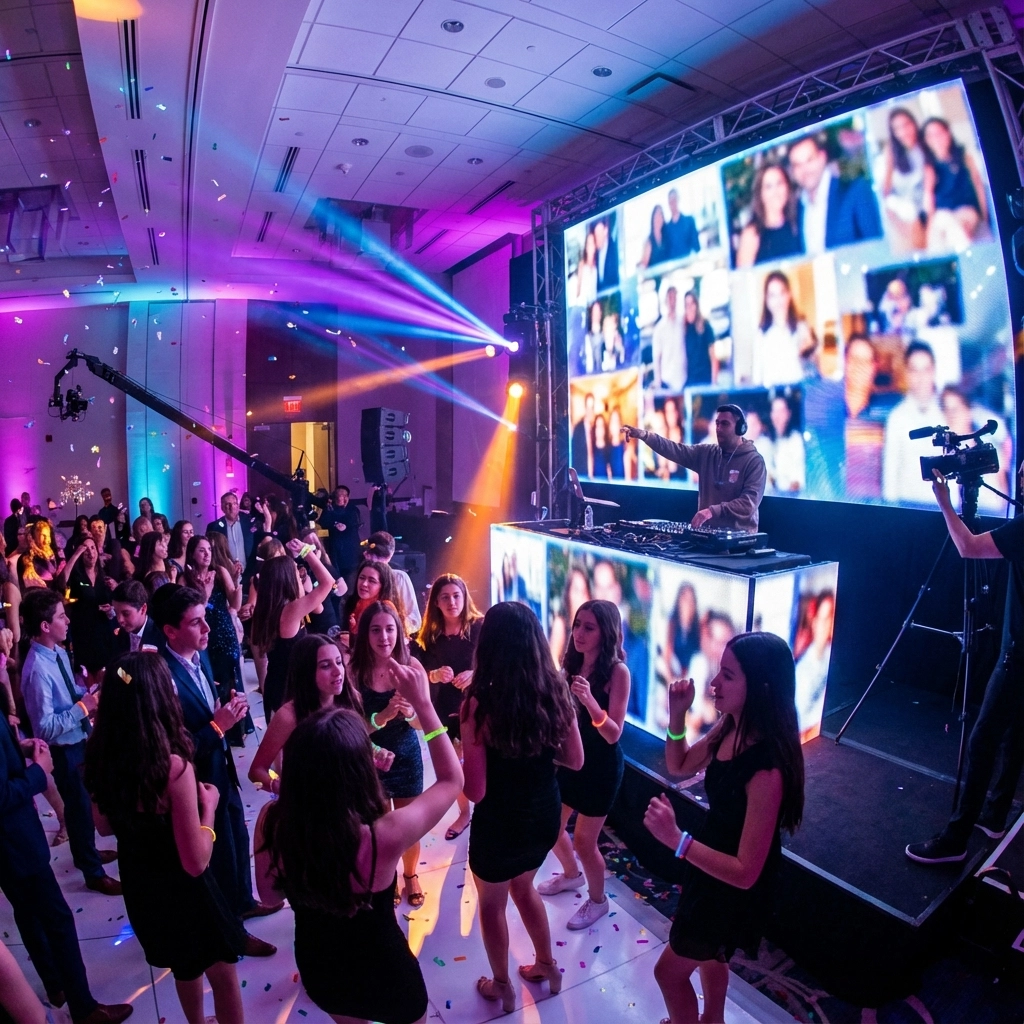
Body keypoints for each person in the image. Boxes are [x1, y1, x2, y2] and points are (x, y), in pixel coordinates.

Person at [255, 670, 462, 1024]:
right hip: (385, 971)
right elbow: (452, 779)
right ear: (358, 771)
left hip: (321, 967)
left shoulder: (273, 820)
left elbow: (270, 897)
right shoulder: (384, 833)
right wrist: (425, 706)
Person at [644, 631, 805, 1024]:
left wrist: (677, 841)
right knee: (711, 954)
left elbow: (746, 872)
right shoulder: (731, 726)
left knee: (668, 973)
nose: (713, 683)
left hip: (729, 883)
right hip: (711, 860)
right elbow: (680, 764)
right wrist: (678, 714)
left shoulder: (767, 768)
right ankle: (712, 1018)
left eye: (728, 676)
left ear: (761, 688)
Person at [84, 652, 246, 1024]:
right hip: (185, 891)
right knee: (223, 974)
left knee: (183, 966)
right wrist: (209, 807)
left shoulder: (100, 756)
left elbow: (105, 827)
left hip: (142, 886)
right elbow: (195, 861)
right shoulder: (172, 767)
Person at [461, 602, 584, 1014]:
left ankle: (502, 986)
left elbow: (475, 791)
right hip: (542, 814)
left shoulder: (478, 702)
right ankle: (548, 966)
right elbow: (576, 759)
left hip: (499, 821)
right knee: (524, 886)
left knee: (493, 905)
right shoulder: (556, 689)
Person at [906, 463, 1023, 863]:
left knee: (983, 739)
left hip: (1019, 655)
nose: (1021, 475)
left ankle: (955, 841)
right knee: (1016, 734)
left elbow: (968, 547)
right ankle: (994, 815)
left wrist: (943, 502)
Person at [153, 585, 279, 949]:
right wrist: (217, 726)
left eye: (205, 619)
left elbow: (207, 713)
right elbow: (174, 750)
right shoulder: (163, 678)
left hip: (221, 770)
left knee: (237, 840)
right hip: (198, 783)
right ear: (170, 631)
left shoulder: (198, 657)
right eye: (196, 623)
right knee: (219, 855)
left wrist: (225, 706)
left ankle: (242, 902)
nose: (207, 629)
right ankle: (232, 933)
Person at [0, 705, 133, 1024]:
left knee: (28, 912)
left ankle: (56, 985)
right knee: (55, 919)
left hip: (14, 841)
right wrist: (38, 771)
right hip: (12, 839)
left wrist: (19, 749)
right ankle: (84, 1007)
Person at [20, 590, 121, 895]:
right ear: (45, 626)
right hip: (64, 751)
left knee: (87, 802)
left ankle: (87, 852)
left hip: (80, 739)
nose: (68, 621)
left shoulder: (59, 653)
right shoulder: (36, 669)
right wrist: (83, 708)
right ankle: (91, 871)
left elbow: (69, 692)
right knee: (77, 809)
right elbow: (44, 727)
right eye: (62, 616)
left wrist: (85, 693)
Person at [538, 600, 630, 930]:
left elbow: (613, 734)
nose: (579, 633)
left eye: (588, 627)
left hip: (601, 768)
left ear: (606, 633)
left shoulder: (618, 672)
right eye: (577, 625)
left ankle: (598, 901)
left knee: (584, 842)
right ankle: (571, 875)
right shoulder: (572, 664)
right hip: (570, 761)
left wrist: (590, 701)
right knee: (549, 826)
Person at [350, 600, 426, 906]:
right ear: (365, 634)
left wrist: (408, 713)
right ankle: (388, 877)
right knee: (379, 827)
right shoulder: (354, 671)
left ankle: (410, 875)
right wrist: (381, 717)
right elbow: (350, 729)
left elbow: (424, 724)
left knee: (409, 825)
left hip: (407, 755)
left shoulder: (413, 668)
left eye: (390, 629)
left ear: (400, 631)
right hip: (369, 759)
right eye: (376, 630)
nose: (384, 637)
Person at [411, 573, 483, 841]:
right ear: (436, 603)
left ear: (465, 598)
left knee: (480, 760)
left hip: (478, 704)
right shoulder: (429, 635)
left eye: (456, 596)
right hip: (446, 706)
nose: (452, 602)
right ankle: (465, 813)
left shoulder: (479, 627)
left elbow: (496, 663)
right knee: (455, 763)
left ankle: (486, 809)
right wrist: (434, 674)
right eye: (445, 597)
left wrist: (474, 674)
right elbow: (422, 670)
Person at [622, 405, 768, 532]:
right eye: (717, 423)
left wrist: (712, 511)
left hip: (740, 546)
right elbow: (674, 449)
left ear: (740, 429)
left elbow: (748, 504)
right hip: (707, 539)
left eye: (724, 424)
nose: (718, 429)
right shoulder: (707, 453)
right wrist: (645, 435)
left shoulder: (754, 461)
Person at [251, 540, 337, 719]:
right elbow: (328, 582)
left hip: (276, 684)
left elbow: (318, 608)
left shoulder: (267, 607)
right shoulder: (290, 611)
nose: (300, 577)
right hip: (290, 691)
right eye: (297, 576)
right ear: (287, 579)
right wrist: (307, 552)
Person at [183, 534, 251, 745]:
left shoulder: (219, 571)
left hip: (224, 632)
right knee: (212, 681)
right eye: (202, 550)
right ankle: (216, 725)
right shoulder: (185, 578)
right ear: (192, 553)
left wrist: (238, 585)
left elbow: (235, 604)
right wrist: (206, 593)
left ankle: (237, 728)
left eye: (209, 550)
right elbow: (194, 609)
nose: (207, 554)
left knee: (232, 679)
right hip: (202, 637)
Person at [787, 131, 883, 254]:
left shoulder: (855, 191)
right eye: (797, 165)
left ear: (822, 158)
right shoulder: (797, 209)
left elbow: (877, 248)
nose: (805, 170)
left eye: (809, 160)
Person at [882, 341, 944, 504]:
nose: (921, 378)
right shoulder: (896, 418)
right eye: (914, 370)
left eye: (926, 370)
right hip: (909, 508)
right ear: (906, 373)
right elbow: (890, 476)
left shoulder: (948, 411)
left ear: (933, 371)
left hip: (948, 511)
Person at [922, 116, 987, 251]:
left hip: (966, 210)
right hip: (943, 215)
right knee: (944, 222)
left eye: (939, 133)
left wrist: (985, 217)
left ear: (947, 133)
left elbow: (978, 185)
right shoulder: (930, 166)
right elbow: (929, 200)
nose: (936, 139)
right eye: (931, 136)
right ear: (927, 140)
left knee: (953, 226)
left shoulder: (964, 157)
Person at [62, 538, 116, 687]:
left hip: (103, 631)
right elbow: (62, 581)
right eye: (86, 549)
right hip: (83, 631)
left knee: (106, 673)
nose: (90, 553)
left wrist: (111, 607)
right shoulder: (77, 577)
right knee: (87, 675)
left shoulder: (104, 575)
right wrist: (77, 553)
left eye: (93, 548)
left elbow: (114, 603)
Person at [751, 270, 813, 389]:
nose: (778, 300)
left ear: (789, 294)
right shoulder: (761, 334)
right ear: (766, 300)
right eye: (772, 295)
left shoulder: (801, 327)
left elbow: (811, 369)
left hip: (799, 392)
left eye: (782, 293)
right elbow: (757, 378)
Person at [735, 162, 803, 267]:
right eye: (768, 187)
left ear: (787, 187)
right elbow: (743, 278)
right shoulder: (752, 233)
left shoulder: (798, 222)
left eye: (779, 183)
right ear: (760, 193)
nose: (775, 192)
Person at [881, 107, 930, 250]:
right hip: (904, 208)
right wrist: (897, 222)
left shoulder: (925, 146)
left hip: (925, 205)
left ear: (914, 123)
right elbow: (886, 193)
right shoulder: (891, 152)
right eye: (897, 129)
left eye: (906, 125)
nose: (903, 132)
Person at [794, 591, 835, 741]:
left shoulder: (831, 652)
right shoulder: (802, 672)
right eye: (824, 619)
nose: (828, 625)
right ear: (814, 621)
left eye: (831, 617)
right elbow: (800, 727)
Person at [363, 530, 421, 633]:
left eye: (379, 555)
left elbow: (415, 620)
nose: (375, 560)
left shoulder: (399, 577)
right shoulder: (361, 578)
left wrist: (392, 629)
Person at [343, 556, 406, 636]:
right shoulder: (354, 603)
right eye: (362, 578)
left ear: (383, 586)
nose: (364, 584)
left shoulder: (386, 608)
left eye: (372, 581)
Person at [318, 484, 362, 587]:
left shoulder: (353, 509)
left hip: (350, 551)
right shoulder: (330, 508)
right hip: (334, 549)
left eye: (343, 495)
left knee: (350, 580)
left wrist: (345, 526)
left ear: (347, 497)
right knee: (336, 578)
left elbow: (355, 522)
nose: (340, 497)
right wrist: (334, 523)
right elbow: (323, 521)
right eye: (337, 494)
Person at [206, 492, 256, 583]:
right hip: (225, 576)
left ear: (238, 505)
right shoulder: (214, 527)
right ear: (222, 508)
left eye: (234, 503)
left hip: (248, 574)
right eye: (227, 504)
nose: (232, 507)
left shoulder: (250, 523)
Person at [111, 579, 163, 654]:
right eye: (116, 612)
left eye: (126, 614)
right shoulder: (118, 633)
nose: (119, 620)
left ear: (143, 609)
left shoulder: (159, 637)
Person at [768, 394, 806, 494]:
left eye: (781, 411)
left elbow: (797, 481)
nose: (777, 416)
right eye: (774, 411)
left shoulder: (795, 440)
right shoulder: (775, 439)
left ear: (788, 414)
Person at [652, 286, 686, 391]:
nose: (672, 301)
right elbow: (657, 356)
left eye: (674, 297)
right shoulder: (659, 328)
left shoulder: (683, 323)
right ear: (666, 301)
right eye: (670, 298)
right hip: (667, 381)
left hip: (683, 379)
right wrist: (658, 381)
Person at [683, 290, 716, 387]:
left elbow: (713, 358)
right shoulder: (685, 328)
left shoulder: (706, 326)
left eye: (692, 304)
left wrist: (714, 383)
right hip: (691, 382)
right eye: (686, 305)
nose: (689, 307)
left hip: (705, 380)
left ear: (696, 305)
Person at [663, 187, 700, 260]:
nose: (673, 203)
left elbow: (697, 248)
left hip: (689, 264)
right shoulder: (666, 229)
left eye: (674, 199)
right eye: (670, 201)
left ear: (678, 200)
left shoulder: (689, 221)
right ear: (668, 203)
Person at [639, 205, 672, 272]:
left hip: (667, 275)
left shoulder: (666, 237)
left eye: (660, 216)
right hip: (653, 278)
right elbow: (644, 265)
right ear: (653, 219)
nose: (658, 219)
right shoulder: (648, 242)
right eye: (656, 216)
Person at [571, 392, 596, 478]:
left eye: (592, 408)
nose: (590, 411)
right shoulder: (578, 428)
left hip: (595, 477)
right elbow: (574, 456)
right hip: (582, 476)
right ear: (585, 408)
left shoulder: (596, 428)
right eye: (588, 407)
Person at [592, 215, 619, 292]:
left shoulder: (614, 247)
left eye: (599, 234)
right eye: (596, 235)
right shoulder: (596, 253)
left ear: (605, 231)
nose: (597, 238)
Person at [574, 229, 598, 306]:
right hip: (582, 304)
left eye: (592, 243)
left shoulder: (596, 265)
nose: (590, 246)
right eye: (588, 244)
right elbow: (578, 287)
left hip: (594, 304)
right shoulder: (582, 264)